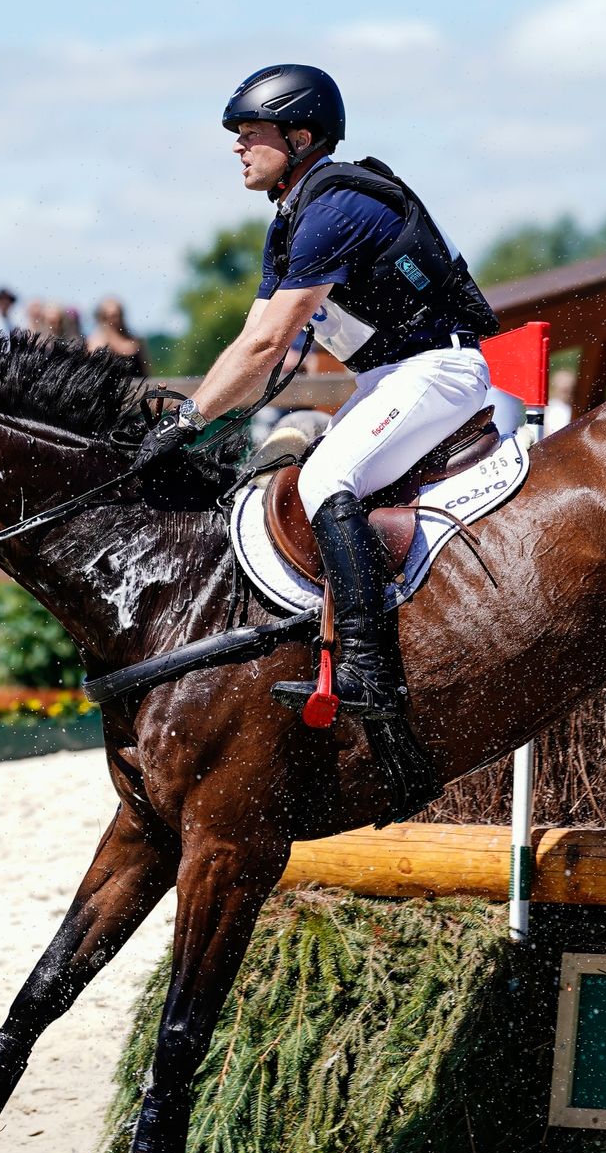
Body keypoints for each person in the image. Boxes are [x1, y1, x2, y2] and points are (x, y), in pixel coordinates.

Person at [136, 64, 499, 719]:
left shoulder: (335, 210)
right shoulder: (293, 218)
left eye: (251, 132)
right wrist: (185, 423)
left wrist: (187, 422)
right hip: (392, 376)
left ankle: (369, 671)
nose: (238, 146)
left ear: (301, 136)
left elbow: (267, 346)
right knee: (307, 471)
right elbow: (250, 343)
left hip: (437, 372)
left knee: (326, 477)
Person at [87, 296, 149, 377]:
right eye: (109, 316)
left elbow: (145, 371)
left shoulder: (134, 341)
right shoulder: (96, 343)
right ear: (102, 318)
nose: (114, 320)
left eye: (116, 315)